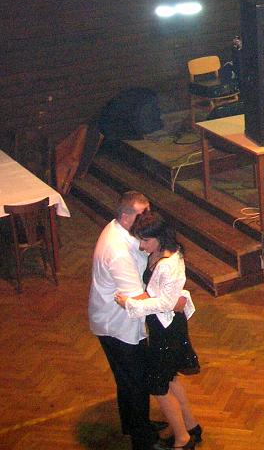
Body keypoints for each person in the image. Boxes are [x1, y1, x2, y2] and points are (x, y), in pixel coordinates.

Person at [115, 212, 201, 450]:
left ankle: (183, 439)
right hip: (162, 326)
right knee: (170, 379)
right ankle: (190, 425)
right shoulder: (159, 253)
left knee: (158, 386)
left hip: (167, 330)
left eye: (145, 240)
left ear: (159, 237)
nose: (142, 246)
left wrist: (130, 304)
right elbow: (159, 294)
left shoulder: (169, 264)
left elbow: (164, 303)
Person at [88, 191, 160, 450]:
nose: (148, 218)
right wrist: (169, 300)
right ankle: (143, 441)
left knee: (127, 379)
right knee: (136, 381)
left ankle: (134, 424)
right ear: (126, 216)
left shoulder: (123, 230)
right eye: (143, 214)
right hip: (117, 326)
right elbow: (137, 300)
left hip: (116, 321)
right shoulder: (118, 251)